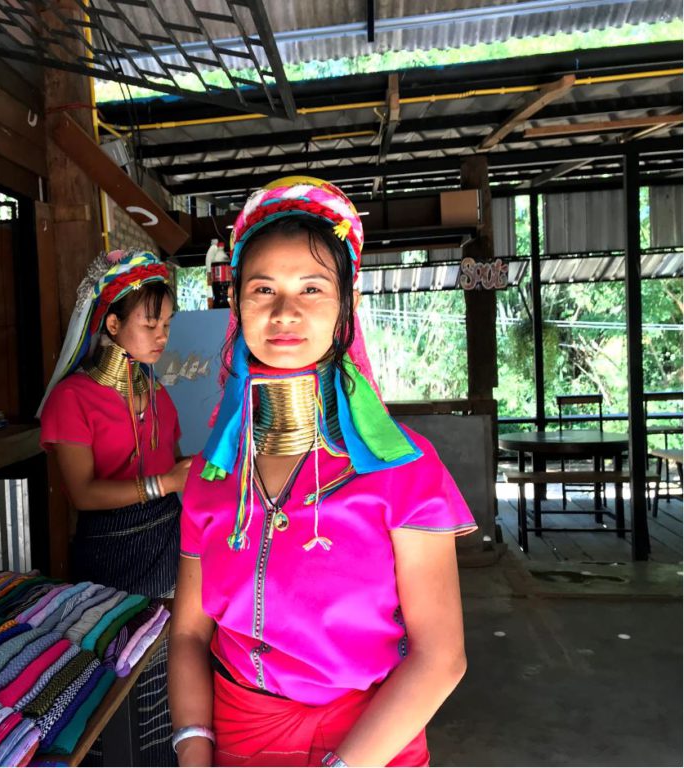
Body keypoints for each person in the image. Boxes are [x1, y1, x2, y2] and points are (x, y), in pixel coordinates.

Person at [169, 177, 477, 767]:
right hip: (240, 738)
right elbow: (188, 636)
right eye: (263, 289)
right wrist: (194, 754)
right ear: (235, 304)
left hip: (373, 741)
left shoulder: (404, 470)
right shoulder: (213, 478)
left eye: (312, 287)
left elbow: (441, 657)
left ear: (346, 305)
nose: (285, 312)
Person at [38, 248, 191, 765]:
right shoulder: (73, 399)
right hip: (109, 556)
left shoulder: (159, 395)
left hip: (169, 549)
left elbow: (174, 470)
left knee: (173, 670)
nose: (163, 336)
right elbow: (83, 493)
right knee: (119, 674)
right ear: (111, 322)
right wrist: (167, 482)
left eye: (167, 323)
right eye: (152, 323)